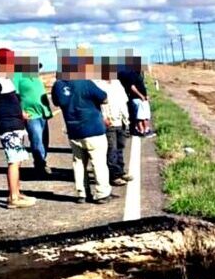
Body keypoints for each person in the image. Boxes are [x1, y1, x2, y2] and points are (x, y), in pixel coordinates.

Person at [51, 50, 114, 204]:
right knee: (98, 162)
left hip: (74, 130)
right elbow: (104, 97)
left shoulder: (58, 86)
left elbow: (57, 102)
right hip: (93, 129)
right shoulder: (85, 82)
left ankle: (82, 193)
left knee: (78, 162)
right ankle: (102, 193)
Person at [0, 48, 36, 209]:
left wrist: (21, 113)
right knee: (14, 160)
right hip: (8, 126)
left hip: (15, 124)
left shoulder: (6, 79)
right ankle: (13, 198)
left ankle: (17, 193)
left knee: (17, 160)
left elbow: (8, 102)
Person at [93, 56, 134, 186]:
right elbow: (96, 104)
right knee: (111, 149)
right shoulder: (96, 84)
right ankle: (114, 175)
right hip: (108, 121)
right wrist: (103, 118)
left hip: (121, 120)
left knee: (120, 147)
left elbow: (124, 101)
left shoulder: (117, 83)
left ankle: (121, 171)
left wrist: (127, 119)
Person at [13, 55, 53, 175]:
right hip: (31, 114)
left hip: (43, 113)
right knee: (37, 139)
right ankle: (40, 164)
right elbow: (14, 95)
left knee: (45, 140)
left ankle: (41, 160)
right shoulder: (17, 76)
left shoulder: (36, 77)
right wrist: (21, 111)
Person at [118, 54, 153, 137]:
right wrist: (142, 96)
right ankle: (143, 130)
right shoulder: (133, 74)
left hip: (133, 97)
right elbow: (132, 87)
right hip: (138, 98)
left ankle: (138, 130)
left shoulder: (132, 73)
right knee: (142, 116)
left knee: (138, 115)